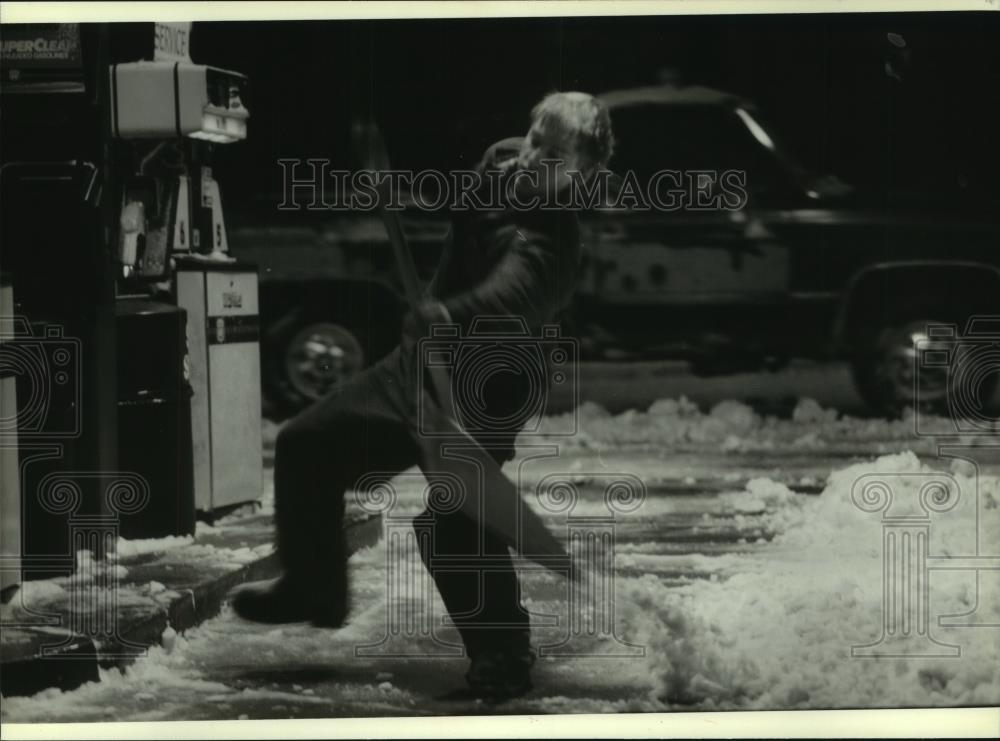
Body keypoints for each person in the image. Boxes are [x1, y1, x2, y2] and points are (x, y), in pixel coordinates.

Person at [230, 91, 614, 700]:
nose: (534, 157)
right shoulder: (501, 159)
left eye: (556, 154)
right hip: (425, 359)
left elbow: (514, 295)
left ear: (584, 173)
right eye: (536, 137)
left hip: (493, 375)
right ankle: (314, 587)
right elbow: (467, 210)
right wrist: (405, 195)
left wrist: (449, 312)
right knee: (308, 445)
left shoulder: (555, 241)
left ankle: (503, 655)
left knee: (453, 519)